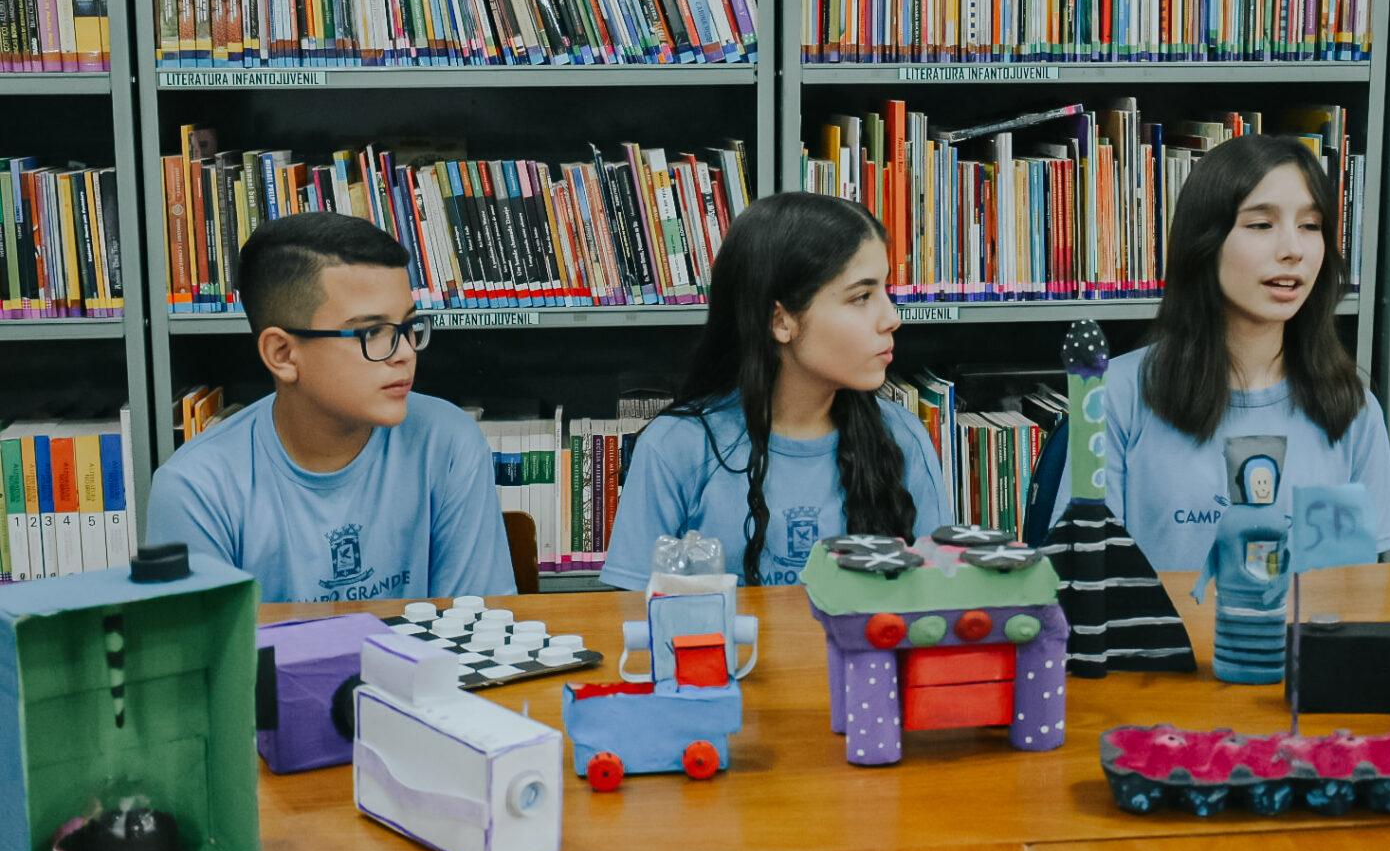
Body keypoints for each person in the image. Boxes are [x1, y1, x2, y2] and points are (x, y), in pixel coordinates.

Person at [1050, 133, 1390, 570]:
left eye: (1311, 226)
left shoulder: (1349, 409)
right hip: (1158, 639)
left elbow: (1342, 598)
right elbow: (1088, 578)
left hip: (1292, 639)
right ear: (1205, 242)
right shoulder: (1116, 396)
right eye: (1261, 225)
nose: (1293, 249)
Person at [145, 212, 514, 601]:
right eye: (372, 332)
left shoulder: (448, 443)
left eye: (408, 326)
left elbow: (480, 632)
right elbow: (207, 659)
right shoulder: (195, 489)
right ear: (283, 354)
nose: (405, 353)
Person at [601, 192, 952, 589]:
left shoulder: (903, 438)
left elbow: (938, 607)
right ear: (781, 320)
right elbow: (631, 618)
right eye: (862, 297)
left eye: (886, 291)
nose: (892, 318)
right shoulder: (675, 448)